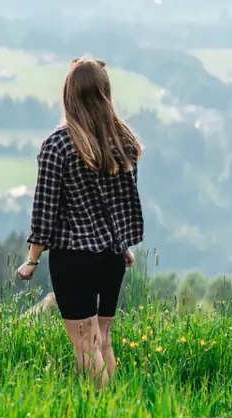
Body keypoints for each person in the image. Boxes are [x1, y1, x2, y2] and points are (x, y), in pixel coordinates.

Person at [18, 56, 144, 382]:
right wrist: (123, 246)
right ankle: (114, 410)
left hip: (74, 259)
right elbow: (124, 203)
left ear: (69, 94)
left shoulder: (57, 146)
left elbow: (44, 211)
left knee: (87, 347)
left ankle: (102, 414)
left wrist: (32, 260)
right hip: (111, 259)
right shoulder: (123, 141)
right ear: (105, 92)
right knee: (104, 342)